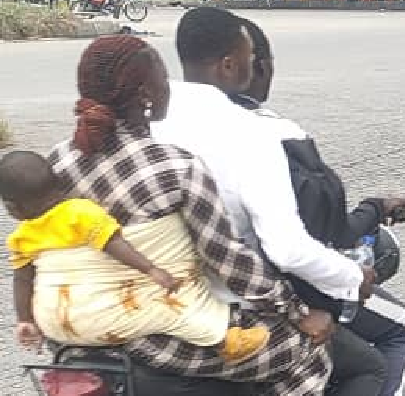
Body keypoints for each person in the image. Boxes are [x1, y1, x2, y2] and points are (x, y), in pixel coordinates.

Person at [46, 35, 334, 395]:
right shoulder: (174, 168)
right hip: (154, 338)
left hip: (70, 334)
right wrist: (297, 311)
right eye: (163, 81)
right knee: (309, 353)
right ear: (146, 95)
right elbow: (227, 260)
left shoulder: (56, 162)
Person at [151, 8, 385, 396]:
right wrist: (352, 277)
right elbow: (287, 249)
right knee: (366, 367)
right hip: (223, 313)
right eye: (250, 58)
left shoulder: (147, 121)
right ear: (229, 65)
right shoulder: (250, 133)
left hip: (139, 310)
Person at [234, 17, 405, 396]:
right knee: (400, 334)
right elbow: (321, 235)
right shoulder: (279, 136)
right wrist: (374, 209)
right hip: (275, 296)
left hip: (187, 300)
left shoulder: (172, 126)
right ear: (258, 67)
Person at [2, 151, 269, 362]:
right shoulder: (79, 212)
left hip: (57, 328)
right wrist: (152, 270)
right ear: (60, 182)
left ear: (13, 208)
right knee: (175, 311)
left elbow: (22, 280)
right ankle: (226, 341)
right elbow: (113, 243)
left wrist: (25, 320)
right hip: (108, 319)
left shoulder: (21, 237)